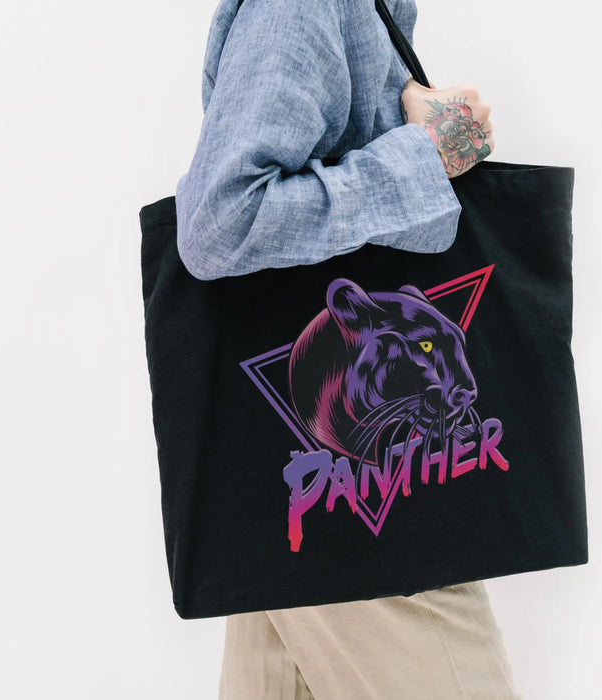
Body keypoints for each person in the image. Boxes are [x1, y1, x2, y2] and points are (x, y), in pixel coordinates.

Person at [175, 0, 516, 697]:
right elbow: (222, 219)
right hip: (370, 509)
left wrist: (406, 108)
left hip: (307, 492)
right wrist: (424, 155)